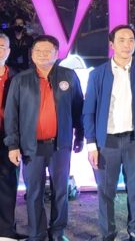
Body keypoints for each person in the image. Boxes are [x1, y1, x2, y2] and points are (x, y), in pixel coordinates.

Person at [4, 35, 84, 241]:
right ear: (32, 54)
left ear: (56, 54)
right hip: (31, 147)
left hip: (60, 146)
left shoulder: (68, 76)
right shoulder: (20, 80)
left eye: (47, 51)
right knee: (34, 193)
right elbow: (12, 115)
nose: (42, 54)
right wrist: (12, 145)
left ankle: (57, 232)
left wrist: (80, 135)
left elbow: (78, 108)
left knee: (60, 192)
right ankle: (36, 234)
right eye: (38, 51)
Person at [83, 25, 135, 241]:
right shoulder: (98, 74)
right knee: (106, 192)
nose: (127, 44)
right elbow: (89, 111)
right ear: (112, 44)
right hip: (107, 143)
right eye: (121, 40)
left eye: (131, 40)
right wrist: (91, 144)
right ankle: (108, 234)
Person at [0, 34, 25, 240]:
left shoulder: (18, 77)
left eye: (2, 46)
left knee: (8, 183)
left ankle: (5, 230)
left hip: (9, 137)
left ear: (8, 51)